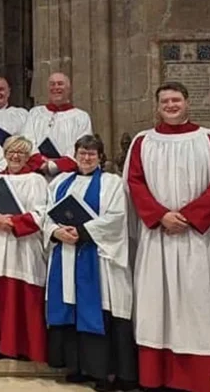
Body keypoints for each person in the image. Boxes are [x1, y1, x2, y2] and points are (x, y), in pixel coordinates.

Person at [124, 82, 210, 392]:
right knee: (158, 305)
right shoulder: (142, 141)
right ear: (156, 106)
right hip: (159, 238)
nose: (170, 105)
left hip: (200, 241)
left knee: (198, 306)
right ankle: (158, 377)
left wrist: (191, 217)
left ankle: (203, 379)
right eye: (165, 100)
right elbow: (134, 183)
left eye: (176, 99)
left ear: (187, 102)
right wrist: (160, 216)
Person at [44, 135, 136, 391]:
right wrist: (55, 232)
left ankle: (106, 372)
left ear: (100, 157)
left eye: (91, 154)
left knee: (100, 311)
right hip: (66, 254)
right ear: (75, 154)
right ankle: (80, 367)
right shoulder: (60, 182)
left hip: (99, 260)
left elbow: (117, 218)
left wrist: (83, 231)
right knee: (71, 310)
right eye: (82, 153)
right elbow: (46, 212)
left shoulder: (112, 183)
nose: (86, 158)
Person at [0, 136, 49, 363]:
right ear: (4, 153)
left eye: (20, 152)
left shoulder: (36, 181)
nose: (15, 156)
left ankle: (25, 347)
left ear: (28, 156)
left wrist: (15, 223)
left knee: (23, 295)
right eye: (11, 151)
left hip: (23, 246)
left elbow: (42, 212)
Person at [24, 72, 93, 176]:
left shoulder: (81, 117)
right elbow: (27, 140)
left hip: (67, 175)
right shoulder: (35, 113)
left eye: (60, 84)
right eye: (52, 84)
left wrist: (54, 165)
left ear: (69, 89)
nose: (56, 87)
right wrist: (40, 162)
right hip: (37, 173)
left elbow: (82, 146)